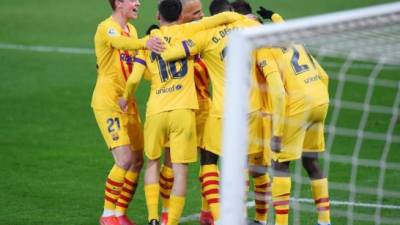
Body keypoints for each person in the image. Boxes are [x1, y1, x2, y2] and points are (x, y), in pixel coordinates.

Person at [119, 1, 248, 225]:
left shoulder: (149, 42)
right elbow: (219, 19)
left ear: (158, 15)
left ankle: (153, 217)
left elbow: (133, 79)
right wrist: (244, 19)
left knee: (153, 164)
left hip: (156, 110)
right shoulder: (189, 32)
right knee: (182, 170)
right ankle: (173, 221)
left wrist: (126, 97)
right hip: (185, 111)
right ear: (181, 16)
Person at [160, 0, 276, 223]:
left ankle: (218, 215)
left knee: (209, 161)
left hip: (223, 111)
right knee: (243, 163)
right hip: (251, 109)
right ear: (230, 12)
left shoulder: (204, 37)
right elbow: (273, 38)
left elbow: (170, 54)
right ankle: (242, 217)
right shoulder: (246, 26)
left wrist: (157, 42)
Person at [92, 1, 165, 225]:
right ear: (119, 3)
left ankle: (120, 213)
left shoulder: (131, 30)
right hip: (108, 103)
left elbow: (138, 69)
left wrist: (162, 77)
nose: (138, 3)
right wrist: (144, 42)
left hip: (128, 103)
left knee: (136, 160)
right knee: (123, 159)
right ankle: (107, 215)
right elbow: (117, 42)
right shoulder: (107, 27)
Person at [156, 1, 214, 225]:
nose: (201, 15)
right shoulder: (179, 38)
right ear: (182, 16)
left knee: (208, 163)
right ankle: (166, 212)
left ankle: (207, 213)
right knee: (171, 163)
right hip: (181, 108)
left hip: (203, 107)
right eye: (196, 12)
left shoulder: (203, 33)